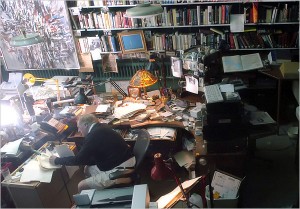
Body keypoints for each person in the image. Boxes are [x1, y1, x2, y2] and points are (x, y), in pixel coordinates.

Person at [49, 114, 135, 192]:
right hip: (121, 160)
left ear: (86, 125)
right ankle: (99, 188)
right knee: (87, 168)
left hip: (121, 168)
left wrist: (57, 160)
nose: (78, 130)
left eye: (79, 127)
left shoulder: (93, 136)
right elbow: (89, 158)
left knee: (81, 186)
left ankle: (119, 180)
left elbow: (78, 160)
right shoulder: (101, 127)